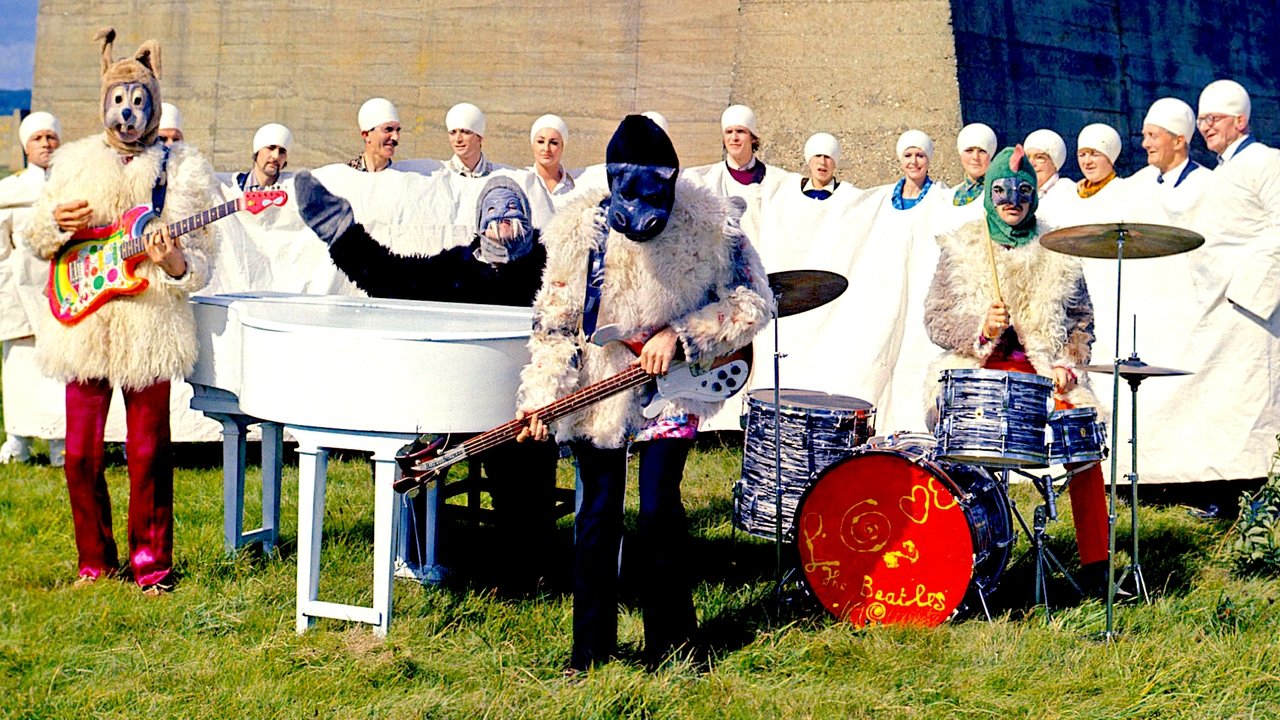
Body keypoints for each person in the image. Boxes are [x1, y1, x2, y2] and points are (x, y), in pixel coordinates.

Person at [515, 115, 772, 671]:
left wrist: (680, 336)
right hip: (600, 387)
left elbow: (755, 302)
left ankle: (674, 645)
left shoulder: (712, 224)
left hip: (673, 389)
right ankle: (590, 651)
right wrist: (539, 398)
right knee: (597, 514)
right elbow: (555, 322)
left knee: (658, 509)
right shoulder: (579, 229)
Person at [290, 170, 560, 583]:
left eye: (512, 211)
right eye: (493, 211)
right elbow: (390, 277)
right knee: (406, 447)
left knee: (525, 467)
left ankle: (529, 567)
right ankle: (417, 551)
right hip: (458, 409)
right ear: (478, 221)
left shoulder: (551, 267)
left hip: (527, 413)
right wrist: (341, 233)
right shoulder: (458, 267)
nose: (502, 220)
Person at [23, 28, 218, 595]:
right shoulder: (75, 161)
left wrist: (178, 262)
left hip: (149, 322)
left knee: (149, 452)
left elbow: (205, 259)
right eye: (118, 101)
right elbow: (33, 234)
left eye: (139, 102)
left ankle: (151, 567)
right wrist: (57, 224)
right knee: (81, 454)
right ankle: (94, 563)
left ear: (153, 105)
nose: (128, 113)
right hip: (84, 318)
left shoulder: (182, 170)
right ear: (103, 103)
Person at [924, 145, 1111, 595]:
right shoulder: (962, 246)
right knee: (952, 445)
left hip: (1045, 377)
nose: (1012, 200)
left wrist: (1069, 363)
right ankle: (953, 558)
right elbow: (935, 317)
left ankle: (1097, 567)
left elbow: (1081, 322)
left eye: (1023, 191)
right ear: (989, 194)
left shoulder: (1060, 251)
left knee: (1083, 437)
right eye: (1003, 191)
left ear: (1035, 196)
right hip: (978, 372)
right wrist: (978, 328)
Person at [0, 112, 66, 465]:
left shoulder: (72, 187)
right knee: (20, 370)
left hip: (62, 290)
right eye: (38, 138)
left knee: (61, 371)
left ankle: (60, 445)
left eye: (51, 137)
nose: (46, 144)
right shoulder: (8, 191)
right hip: (18, 291)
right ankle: (18, 442)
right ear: (26, 146)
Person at [1022, 128, 1074, 225]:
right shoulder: (1019, 192)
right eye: (1027, 157)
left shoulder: (1067, 193)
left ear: (1055, 163)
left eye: (1040, 157)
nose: (1031, 164)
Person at [529, 113, 574, 201]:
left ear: (562, 146)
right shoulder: (522, 184)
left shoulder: (576, 187)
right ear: (532, 145)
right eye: (541, 141)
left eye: (554, 143)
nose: (546, 149)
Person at [235, 122, 292, 192]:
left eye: (282, 152)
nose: (276, 156)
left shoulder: (293, 189)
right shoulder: (230, 188)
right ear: (257, 151)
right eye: (271, 148)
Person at [349, 98, 400, 172]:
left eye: (398, 130)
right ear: (366, 135)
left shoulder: (403, 179)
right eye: (388, 130)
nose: (395, 137)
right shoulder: (347, 176)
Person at [891, 129, 938, 210]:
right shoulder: (886, 198)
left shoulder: (939, 197)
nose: (913, 161)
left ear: (928, 160)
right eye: (908, 155)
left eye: (920, 156)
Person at [446, 103, 496, 178]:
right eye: (453, 133)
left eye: (465, 132)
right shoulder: (441, 176)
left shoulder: (502, 176)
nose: (458, 139)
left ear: (479, 137)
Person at [799, 132, 848, 200]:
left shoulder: (846, 196)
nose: (822, 162)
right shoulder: (793, 194)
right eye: (818, 156)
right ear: (809, 161)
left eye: (827, 157)